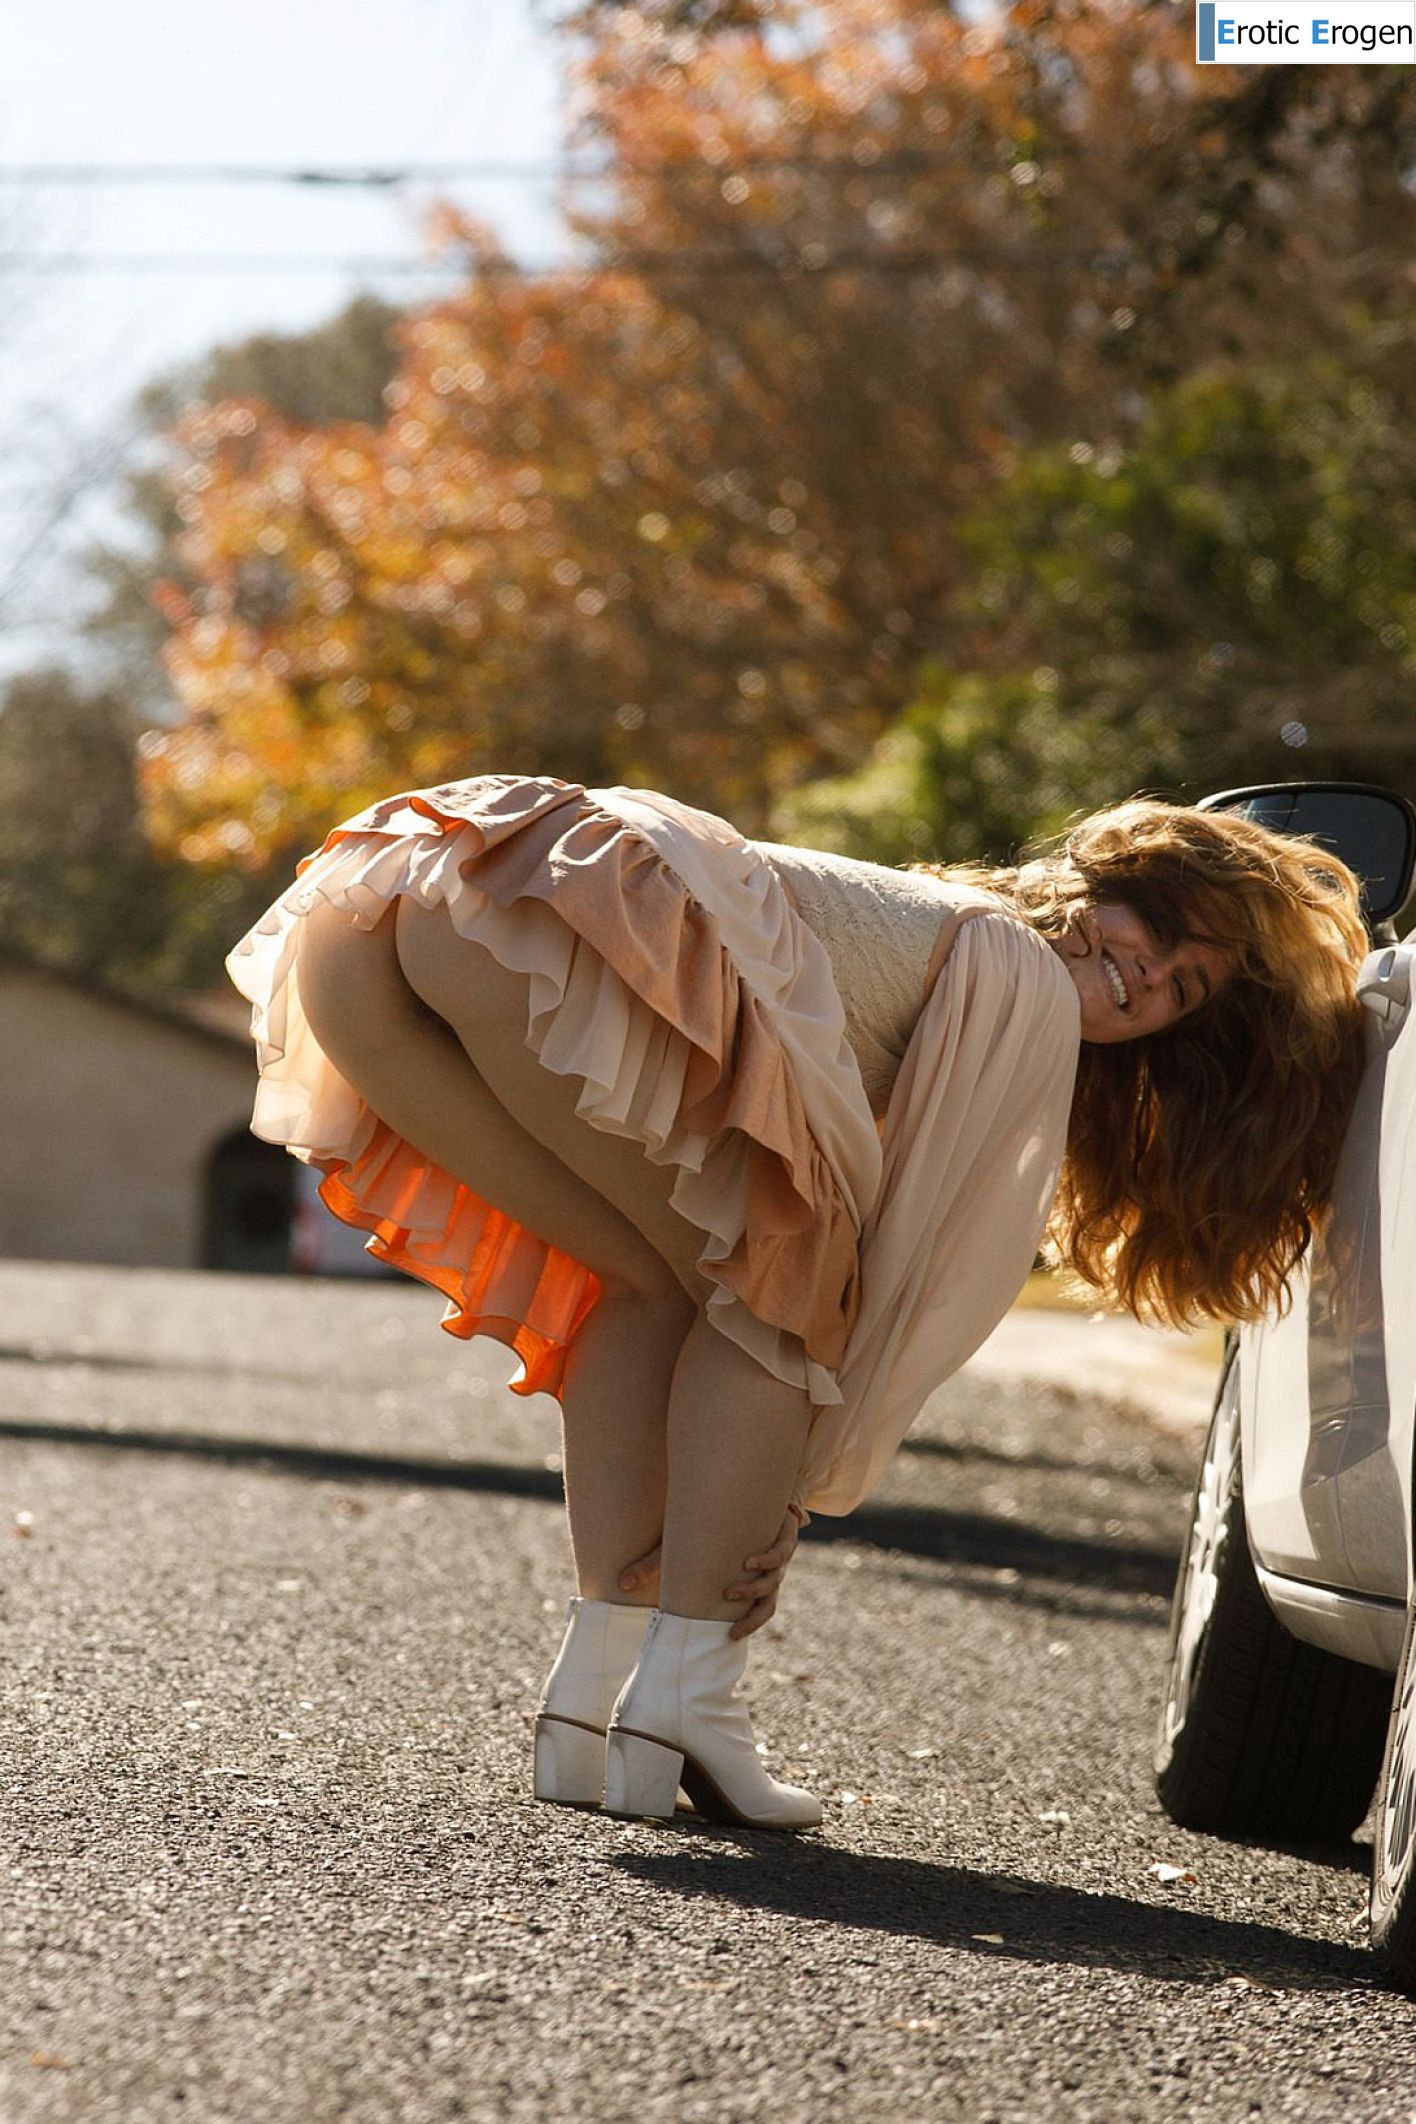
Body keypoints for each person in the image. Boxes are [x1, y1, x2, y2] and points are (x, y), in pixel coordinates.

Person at [226, 772, 1368, 1831]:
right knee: (788, 1291)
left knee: (650, 1281)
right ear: (1100, 890)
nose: (1148, 979)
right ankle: (688, 1700)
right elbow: (920, 1278)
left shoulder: (953, 939)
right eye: (1156, 933)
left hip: (385, 915)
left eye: (1184, 991)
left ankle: (591, 1700)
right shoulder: (1018, 979)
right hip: (525, 914)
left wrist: (746, 1497)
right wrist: (777, 1508)